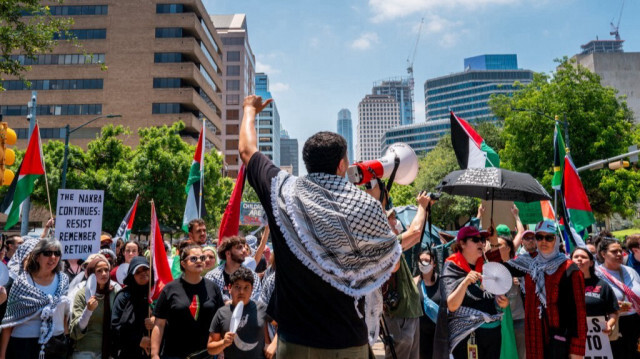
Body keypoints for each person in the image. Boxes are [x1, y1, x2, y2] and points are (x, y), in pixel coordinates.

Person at [240, 95, 401, 357]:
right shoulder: (365, 206)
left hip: (295, 342)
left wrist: (249, 110)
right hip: (349, 341)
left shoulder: (282, 192)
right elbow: (391, 262)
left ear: (308, 164)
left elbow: (247, 151)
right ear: (341, 165)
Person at [487, 220, 587, 359]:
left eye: (549, 237)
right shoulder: (529, 264)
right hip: (534, 337)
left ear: (556, 239)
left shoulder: (570, 269)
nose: (543, 241)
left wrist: (577, 350)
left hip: (559, 339)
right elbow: (499, 271)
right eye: (539, 237)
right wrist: (493, 241)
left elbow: (579, 313)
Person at [434, 226, 509, 359]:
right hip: (468, 337)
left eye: (482, 240)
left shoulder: (486, 265)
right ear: (462, 243)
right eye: (475, 239)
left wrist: (503, 302)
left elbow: (500, 294)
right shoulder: (452, 267)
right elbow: (451, 305)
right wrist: (465, 282)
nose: (481, 243)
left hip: (493, 334)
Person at [380, 192, 432, 359]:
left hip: (408, 314)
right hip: (398, 316)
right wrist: (422, 206)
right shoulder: (385, 246)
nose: (395, 221)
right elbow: (415, 232)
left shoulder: (394, 244)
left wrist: (426, 210)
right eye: (390, 218)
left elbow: (415, 237)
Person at [0, 238, 70, 359]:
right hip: (24, 346)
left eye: (57, 253)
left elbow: (63, 316)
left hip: (56, 345)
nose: (53, 257)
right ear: (37, 257)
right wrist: (2, 355)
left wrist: (67, 340)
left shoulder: (63, 281)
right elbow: (10, 321)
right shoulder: (21, 282)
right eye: (47, 253)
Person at [151, 244, 224, 359]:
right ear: (183, 263)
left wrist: (220, 350)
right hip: (174, 354)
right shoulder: (170, 289)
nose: (199, 261)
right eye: (194, 258)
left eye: (202, 258)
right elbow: (159, 324)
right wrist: (154, 354)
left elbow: (220, 322)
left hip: (205, 354)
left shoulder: (213, 288)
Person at [208, 266, 270, 358]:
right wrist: (223, 343)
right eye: (237, 287)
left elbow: (282, 325)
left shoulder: (261, 308)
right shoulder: (221, 312)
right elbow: (210, 349)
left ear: (252, 289)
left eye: (246, 287)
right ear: (230, 288)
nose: (241, 291)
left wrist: (273, 344)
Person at [595, 237, 640, 358]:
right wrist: (612, 308)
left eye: (620, 250)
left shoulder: (630, 271)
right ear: (603, 254)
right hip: (615, 325)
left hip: (635, 322)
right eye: (614, 251)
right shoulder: (596, 274)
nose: (619, 254)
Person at [70, 255, 119, 359]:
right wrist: (88, 311)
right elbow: (75, 330)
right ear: (91, 274)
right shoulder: (82, 295)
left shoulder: (114, 292)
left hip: (108, 352)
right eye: (99, 271)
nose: (104, 274)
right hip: (84, 352)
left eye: (106, 270)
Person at [111, 256, 153, 359]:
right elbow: (115, 326)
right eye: (138, 272)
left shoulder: (157, 294)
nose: (143, 273)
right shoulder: (123, 297)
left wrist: (155, 321)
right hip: (128, 353)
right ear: (132, 276)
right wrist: (138, 341)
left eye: (145, 269)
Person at [570, 247, 619, 332]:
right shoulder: (563, 285)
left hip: (599, 338)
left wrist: (610, 324)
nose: (579, 259)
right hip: (573, 337)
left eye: (583, 257)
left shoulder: (602, 285)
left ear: (591, 263)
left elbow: (613, 311)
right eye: (576, 257)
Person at [205, 236, 261, 302]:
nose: (244, 251)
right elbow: (213, 301)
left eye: (243, 247)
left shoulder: (253, 276)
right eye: (239, 248)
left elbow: (254, 300)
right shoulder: (212, 277)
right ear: (228, 253)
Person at [415, 250, 440, 359]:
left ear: (434, 263)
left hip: (439, 335)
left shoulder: (442, 282)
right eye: (421, 260)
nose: (423, 263)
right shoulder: (414, 282)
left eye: (427, 260)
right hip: (420, 336)